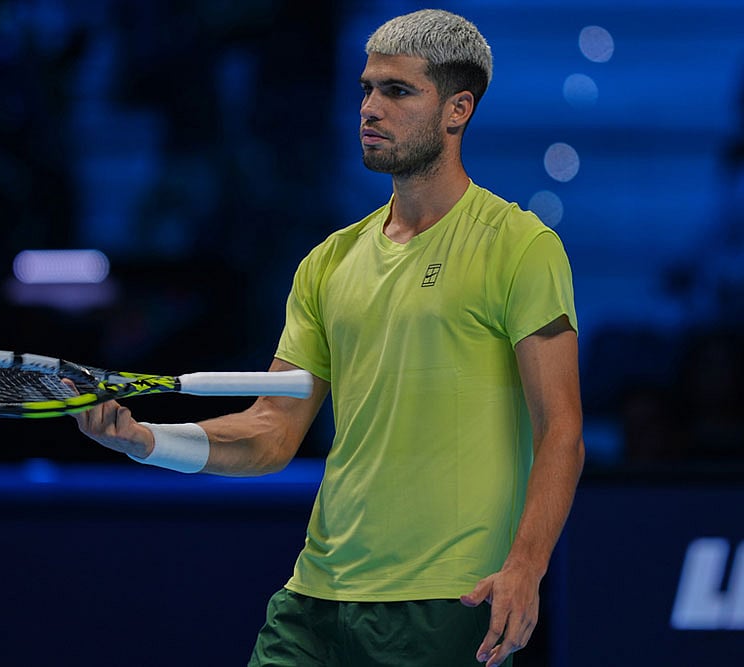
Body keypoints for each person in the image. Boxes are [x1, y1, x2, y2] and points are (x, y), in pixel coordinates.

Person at [73, 9, 584, 667]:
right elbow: (271, 432)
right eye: (366, 89)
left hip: (445, 604)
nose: (370, 108)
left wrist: (526, 565)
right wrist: (147, 441)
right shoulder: (329, 262)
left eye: (397, 91)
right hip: (314, 602)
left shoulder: (520, 247)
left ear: (457, 110)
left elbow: (560, 430)